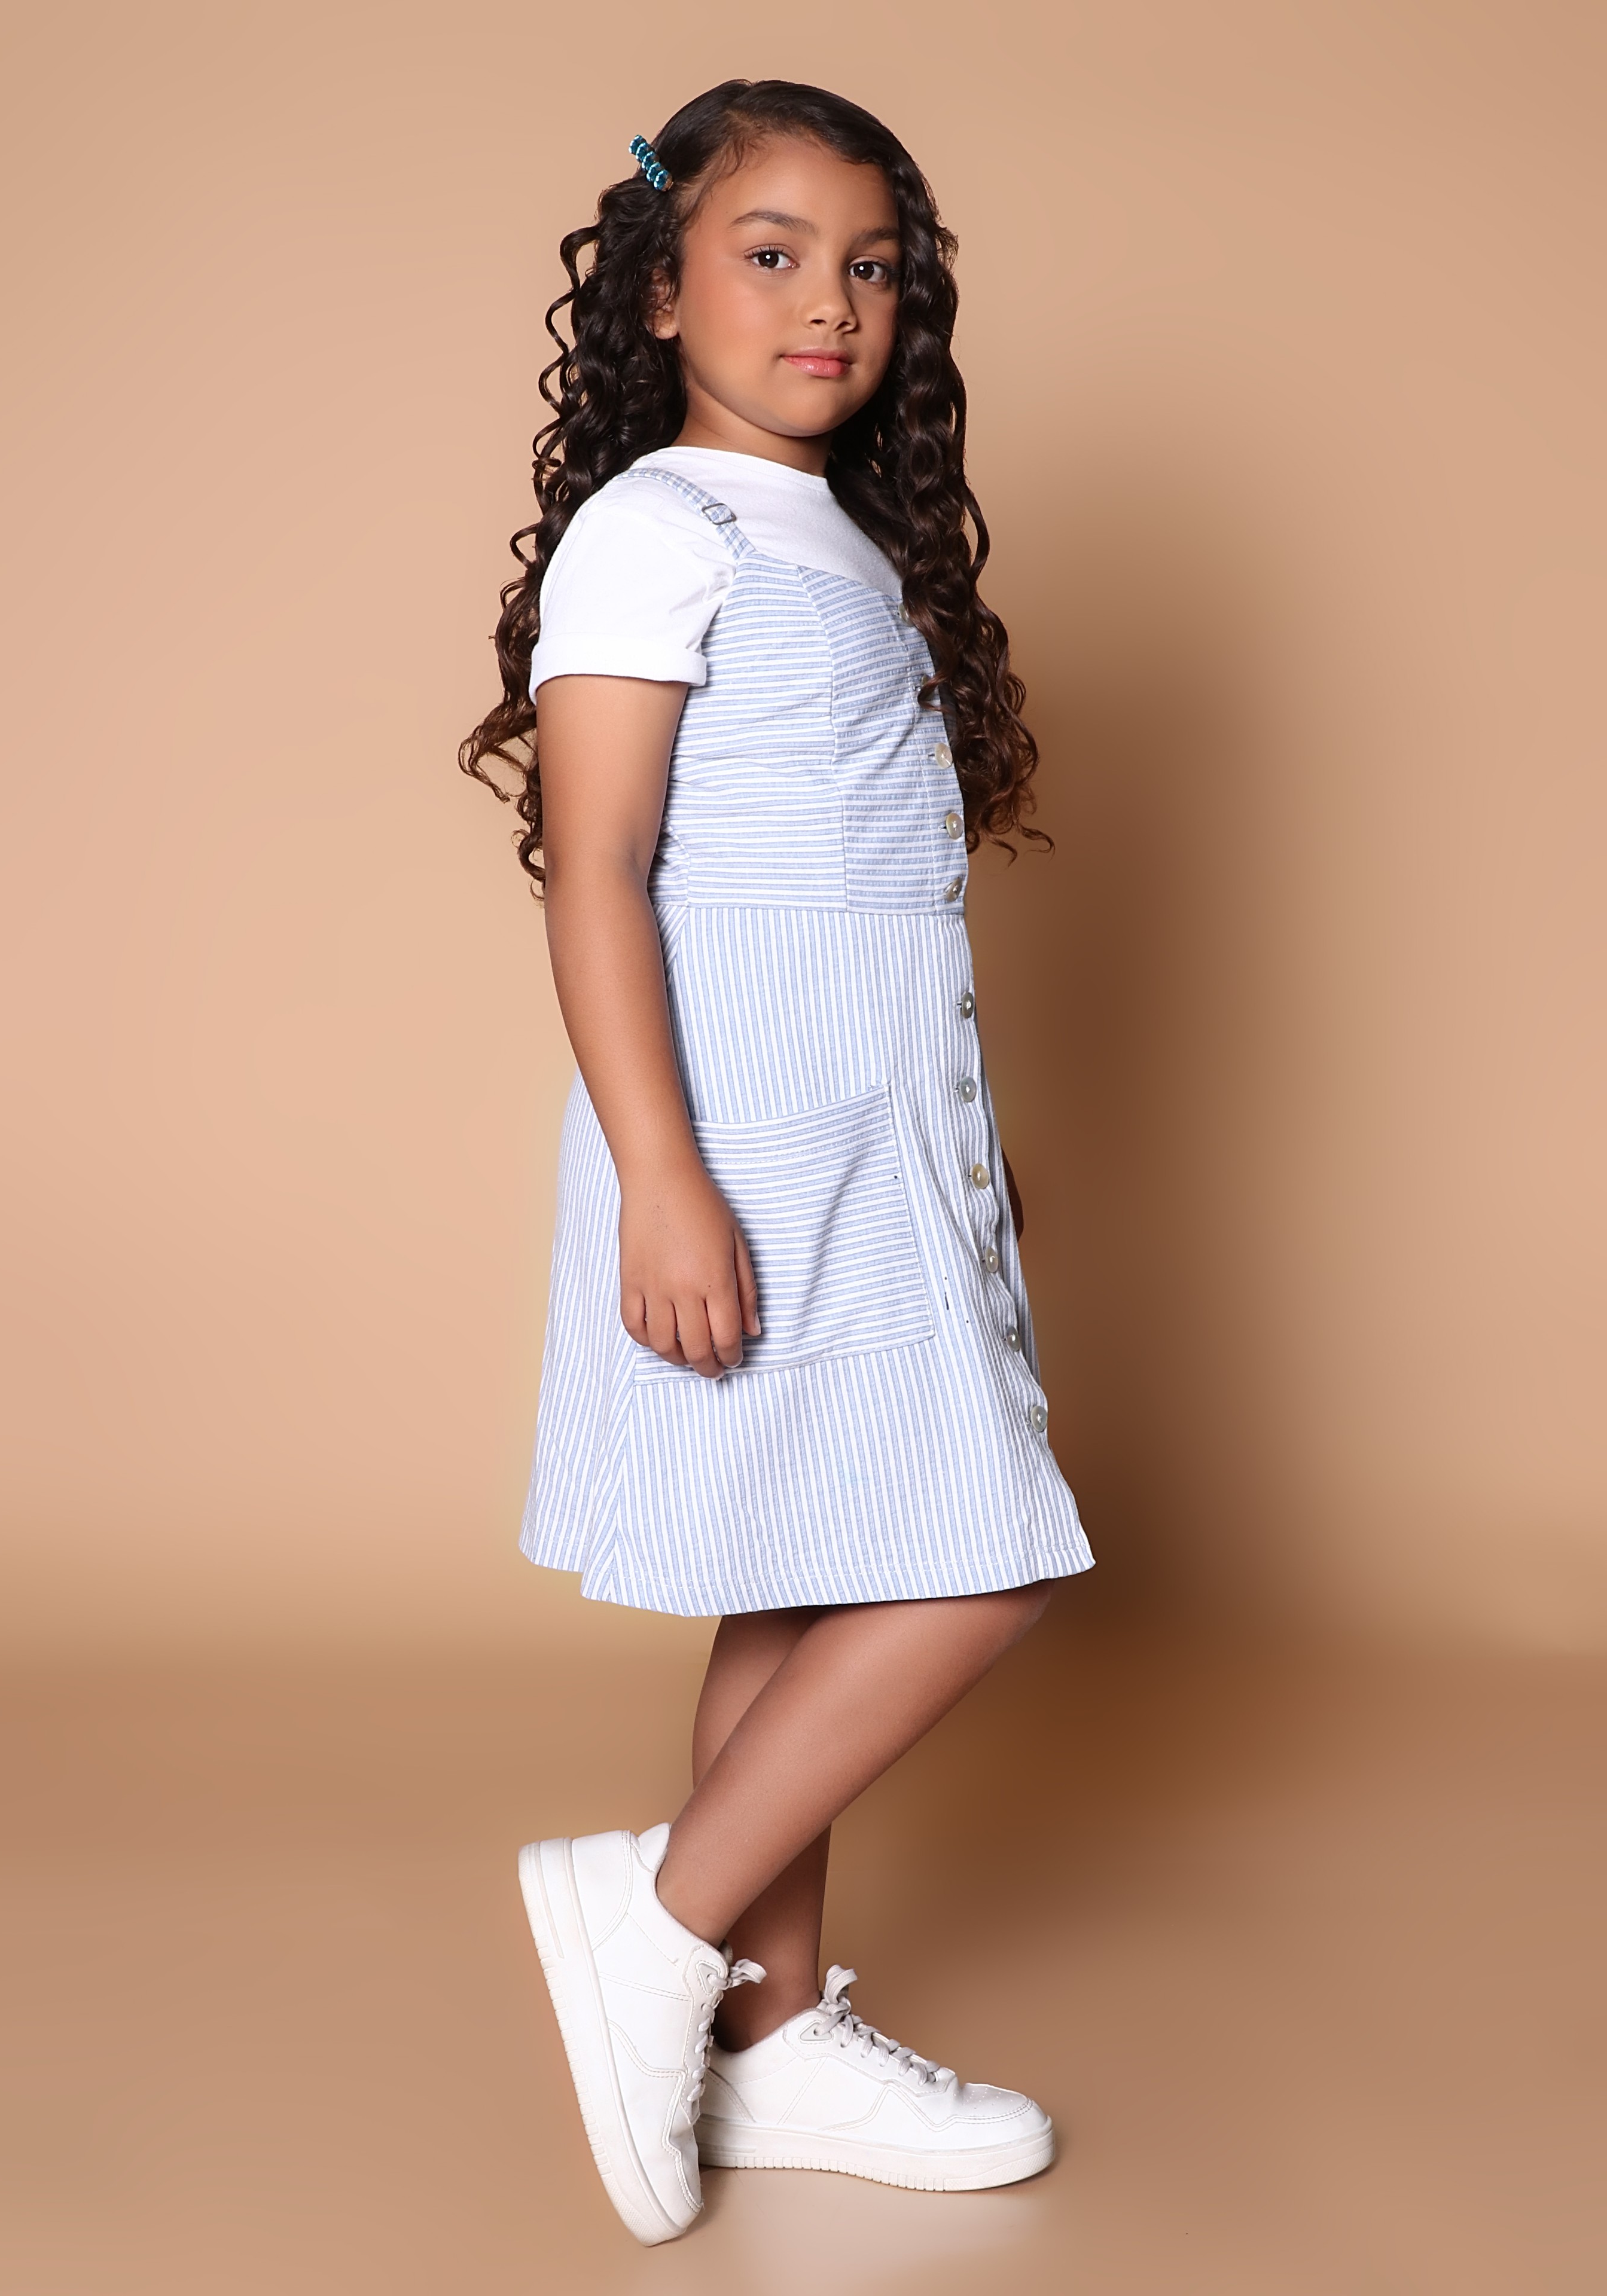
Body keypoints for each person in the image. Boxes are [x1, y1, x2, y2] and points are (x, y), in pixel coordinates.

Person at [460, 79, 1093, 2246]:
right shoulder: (662, 529)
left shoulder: (850, 547)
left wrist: (963, 1154)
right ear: (655, 290)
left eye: (871, 266)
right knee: (979, 1561)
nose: (829, 301)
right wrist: (661, 1173)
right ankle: (658, 1916)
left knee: (808, 1558)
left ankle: (768, 2025)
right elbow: (598, 868)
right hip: (743, 1133)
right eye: (769, 253)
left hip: (878, 1131)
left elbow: (880, 902)